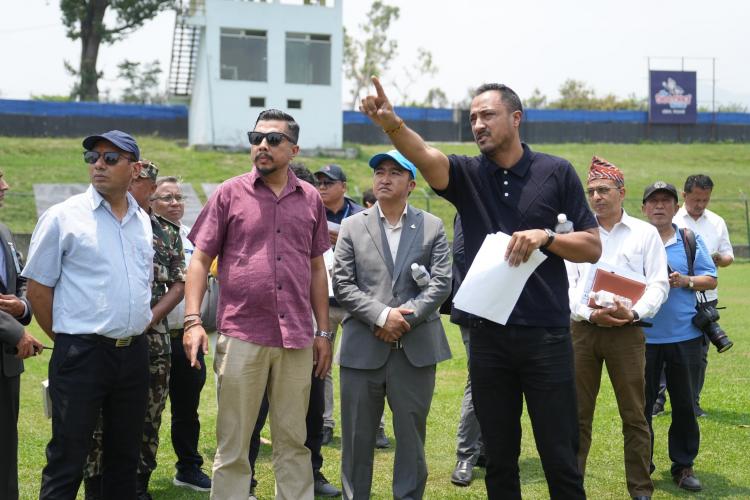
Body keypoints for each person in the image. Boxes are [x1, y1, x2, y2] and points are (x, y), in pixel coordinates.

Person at [359, 77, 600, 499]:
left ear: (516, 118)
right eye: (472, 118)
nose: (478, 124)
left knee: (560, 455)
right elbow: (425, 155)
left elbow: (592, 247)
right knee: (499, 460)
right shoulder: (468, 174)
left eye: (488, 115)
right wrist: (392, 125)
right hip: (488, 338)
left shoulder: (555, 171)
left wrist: (546, 237)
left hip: (546, 335)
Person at [183, 109, 332, 500]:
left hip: (296, 338)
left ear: (293, 149)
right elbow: (199, 260)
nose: (262, 145)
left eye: (273, 139)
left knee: (294, 441)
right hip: (242, 334)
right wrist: (193, 320)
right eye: (256, 138)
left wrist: (323, 331)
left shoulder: (311, 199)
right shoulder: (228, 193)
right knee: (233, 442)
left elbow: (317, 268)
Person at [23, 130, 153, 499]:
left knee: (125, 456)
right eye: (92, 157)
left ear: (135, 168)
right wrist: (69, 340)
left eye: (110, 158)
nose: (98, 165)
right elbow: (38, 290)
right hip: (82, 353)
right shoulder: (63, 217)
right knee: (68, 455)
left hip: (134, 352)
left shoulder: (142, 220)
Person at [332, 149, 452, 499]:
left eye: (395, 173)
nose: (384, 178)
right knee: (356, 439)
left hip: (414, 351)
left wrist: (404, 318)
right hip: (362, 349)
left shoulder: (432, 226)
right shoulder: (353, 226)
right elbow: (342, 284)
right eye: (379, 172)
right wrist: (383, 316)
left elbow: (441, 283)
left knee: (411, 439)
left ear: (411, 184)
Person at [566, 157, 669, 500]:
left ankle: (640, 489)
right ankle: (571, 487)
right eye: (591, 191)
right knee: (577, 415)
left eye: (604, 190)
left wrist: (635, 312)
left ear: (621, 192)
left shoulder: (645, 233)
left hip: (627, 332)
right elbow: (567, 286)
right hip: (583, 332)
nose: (596, 197)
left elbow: (658, 284)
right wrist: (588, 313)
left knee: (635, 414)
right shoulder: (578, 234)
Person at [246, 162, 341, 498]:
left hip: (306, 333)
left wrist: (323, 333)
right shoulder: (260, 223)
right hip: (261, 334)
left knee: (311, 411)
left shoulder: (315, 223)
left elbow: (321, 277)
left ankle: (312, 471)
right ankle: (246, 482)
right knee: (253, 415)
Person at [641, 181, 715, 493]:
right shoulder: (635, 241)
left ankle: (683, 466)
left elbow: (710, 278)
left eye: (665, 201)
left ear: (675, 207)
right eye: (653, 201)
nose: (659, 206)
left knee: (684, 405)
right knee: (640, 408)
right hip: (642, 338)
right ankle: (641, 466)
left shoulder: (689, 239)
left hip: (684, 337)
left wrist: (686, 280)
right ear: (644, 208)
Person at [151, 176, 212, 492]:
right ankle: (137, 473)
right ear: (151, 202)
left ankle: (188, 467)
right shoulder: (145, 235)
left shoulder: (193, 239)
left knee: (187, 409)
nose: (174, 203)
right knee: (146, 410)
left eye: (178, 197)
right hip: (153, 337)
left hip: (187, 338)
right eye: (166, 198)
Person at [662, 174, 734, 417]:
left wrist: (718, 259)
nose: (700, 204)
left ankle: (692, 401)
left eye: (705, 200)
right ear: (684, 196)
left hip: (705, 296)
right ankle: (658, 400)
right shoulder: (670, 217)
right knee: (661, 348)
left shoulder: (717, 222)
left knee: (698, 355)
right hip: (671, 295)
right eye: (696, 199)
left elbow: (728, 256)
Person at [311, 164, 368, 448]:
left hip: (354, 301)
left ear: (343, 186)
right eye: (319, 183)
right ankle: (324, 423)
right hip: (321, 300)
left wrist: (345, 239)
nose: (322, 188)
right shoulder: (310, 212)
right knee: (321, 363)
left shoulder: (361, 216)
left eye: (328, 183)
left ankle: (374, 425)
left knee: (362, 363)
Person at [0, 170, 42, 500]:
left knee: (5, 446)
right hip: (12, 343)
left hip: (7, 363)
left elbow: (22, 278)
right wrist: (15, 331)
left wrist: (23, 306)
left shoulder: (4, 230)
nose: (6, 186)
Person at [447, 215, 485, 487]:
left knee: (505, 380)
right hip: (477, 308)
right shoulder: (471, 207)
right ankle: (466, 456)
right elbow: (462, 257)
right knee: (479, 380)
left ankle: (485, 448)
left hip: (514, 309)